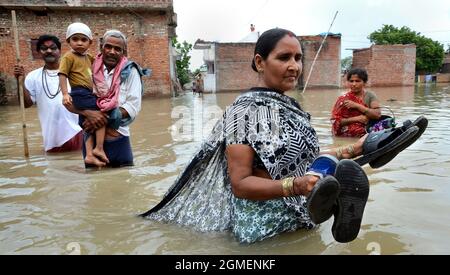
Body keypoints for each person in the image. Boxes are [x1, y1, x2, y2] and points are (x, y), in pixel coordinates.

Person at [141, 28, 372, 244]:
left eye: (298, 58)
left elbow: (301, 158)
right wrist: (297, 186)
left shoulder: (291, 108)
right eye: (284, 58)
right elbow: (240, 184)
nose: (294, 66)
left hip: (302, 218)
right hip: (265, 233)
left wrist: (355, 149)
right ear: (260, 62)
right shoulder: (243, 112)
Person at [65, 29, 149, 168]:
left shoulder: (131, 71)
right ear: (101, 47)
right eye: (108, 47)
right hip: (90, 145)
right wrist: (89, 114)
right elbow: (71, 101)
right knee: (94, 185)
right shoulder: (88, 67)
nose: (112, 51)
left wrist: (103, 117)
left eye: (117, 49)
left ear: (124, 52)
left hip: (118, 141)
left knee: (124, 183)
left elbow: (133, 106)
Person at [59, 22, 122, 167]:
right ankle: (99, 149)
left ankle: (89, 155)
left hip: (88, 93)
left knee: (87, 124)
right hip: (80, 92)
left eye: (83, 40)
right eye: (75, 39)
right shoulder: (68, 57)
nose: (79, 43)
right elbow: (62, 74)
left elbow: (101, 63)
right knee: (101, 114)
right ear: (68, 41)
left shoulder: (89, 58)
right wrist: (64, 94)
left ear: (90, 42)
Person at [13, 35, 82, 153]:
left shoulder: (75, 73)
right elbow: (26, 105)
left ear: (59, 51)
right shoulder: (33, 76)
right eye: (44, 48)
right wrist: (20, 82)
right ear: (39, 52)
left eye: (53, 48)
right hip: (51, 138)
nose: (49, 51)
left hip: (77, 133)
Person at [331, 68, 382, 137]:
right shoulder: (343, 99)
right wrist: (357, 119)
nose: (354, 84)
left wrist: (357, 106)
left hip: (366, 134)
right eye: (351, 81)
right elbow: (335, 121)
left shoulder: (370, 96)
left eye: (357, 81)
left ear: (364, 83)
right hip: (345, 135)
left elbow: (377, 115)